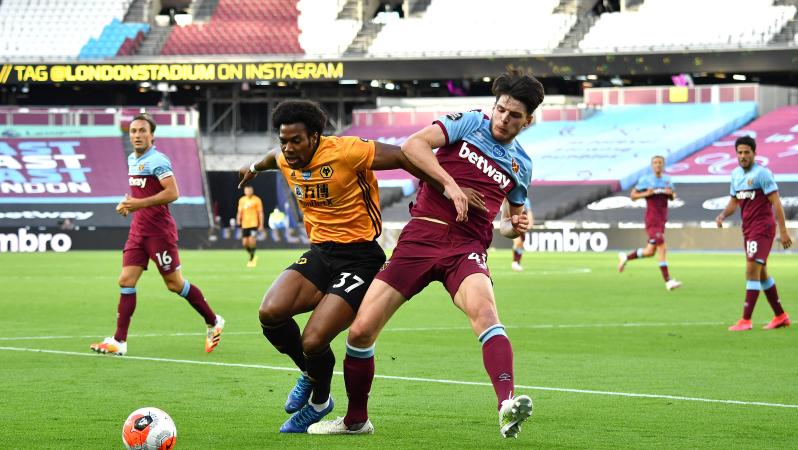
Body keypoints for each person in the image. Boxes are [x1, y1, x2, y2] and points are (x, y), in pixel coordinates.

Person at [308, 70, 543, 439]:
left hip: (466, 247)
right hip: (420, 237)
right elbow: (413, 146)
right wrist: (452, 186)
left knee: (485, 313)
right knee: (361, 330)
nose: (502, 119)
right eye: (500, 109)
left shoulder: (521, 165)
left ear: (527, 121)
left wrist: (518, 225)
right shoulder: (470, 123)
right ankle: (356, 421)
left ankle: (506, 405)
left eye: (514, 115)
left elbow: (508, 224)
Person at [237, 100, 473, 434]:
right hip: (321, 253)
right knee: (270, 313)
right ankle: (310, 374)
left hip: (360, 258)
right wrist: (252, 167)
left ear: (315, 136)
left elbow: (404, 156)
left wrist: (447, 185)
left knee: (313, 340)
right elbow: (270, 159)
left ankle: (319, 403)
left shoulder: (348, 151)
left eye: (296, 141)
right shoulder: (284, 158)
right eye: (283, 140)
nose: (288, 148)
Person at [90, 113, 224, 356]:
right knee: (126, 281)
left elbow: (172, 193)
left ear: (152, 135)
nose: (137, 135)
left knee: (174, 284)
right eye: (133, 131)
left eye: (142, 131)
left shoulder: (158, 160)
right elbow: (140, 194)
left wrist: (138, 204)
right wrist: (127, 203)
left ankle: (213, 321)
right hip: (138, 232)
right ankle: (119, 341)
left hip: (158, 233)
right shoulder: (132, 159)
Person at [715, 136, 792, 331]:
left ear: (754, 153)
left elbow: (776, 202)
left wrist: (783, 231)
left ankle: (746, 320)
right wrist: (723, 215)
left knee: (751, 270)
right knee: (761, 273)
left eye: (746, 152)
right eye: (739, 152)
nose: (743, 156)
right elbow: (734, 201)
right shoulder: (735, 175)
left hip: (762, 228)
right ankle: (781, 316)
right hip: (748, 229)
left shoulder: (762, 174)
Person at [618, 155, 682, 290]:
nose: (657, 165)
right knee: (662, 247)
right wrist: (646, 194)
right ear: (652, 165)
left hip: (662, 220)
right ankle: (668, 281)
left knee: (650, 252)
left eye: (660, 162)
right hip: (652, 220)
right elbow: (633, 196)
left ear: (663, 165)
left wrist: (671, 194)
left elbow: (673, 196)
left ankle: (625, 257)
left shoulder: (667, 180)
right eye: (655, 162)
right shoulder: (646, 180)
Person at [236, 185, 264, 267]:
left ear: (252, 191)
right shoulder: (242, 200)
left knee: (252, 241)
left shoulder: (257, 200)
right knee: (245, 243)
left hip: (253, 224)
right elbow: (239, 211)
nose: (248, 192)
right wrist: (238, 219)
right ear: (245, 191)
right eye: (246, 190)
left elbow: (260, 213)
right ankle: (252, 254)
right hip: (245, 224)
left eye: (249, 190)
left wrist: (261, 224)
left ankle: (251, 259)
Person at [511, 198, 533, 272]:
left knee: (521, 244)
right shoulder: (511, 198)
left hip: (522, 223)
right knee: (518, 242)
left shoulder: (526, 200)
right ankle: (515, 262)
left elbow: (529, 211)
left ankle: (517, 262)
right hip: (514, 224)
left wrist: (530, 222)